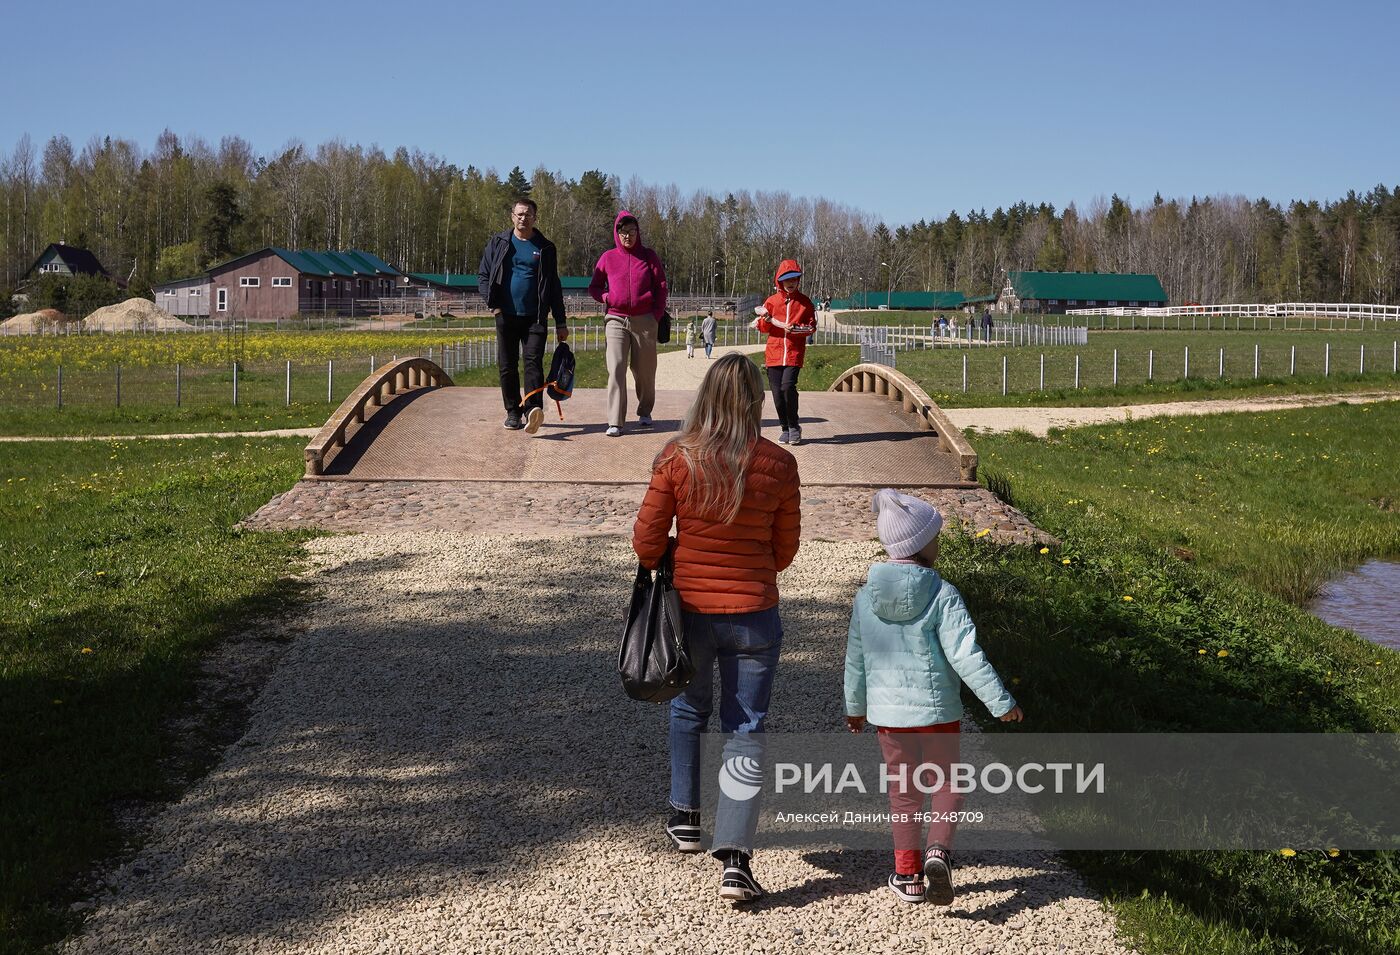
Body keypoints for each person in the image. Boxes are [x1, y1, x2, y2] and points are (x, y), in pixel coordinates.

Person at [632, 354, 801, 904]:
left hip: (691, 612)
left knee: (689, 708)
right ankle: (735, 859)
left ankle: (685, 817)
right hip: (754, 611)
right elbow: (783, 553)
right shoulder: (778, 464)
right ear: (756, 401)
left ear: (706, 397)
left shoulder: (677, 459)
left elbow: (646, 544)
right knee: (746, 726)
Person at [844, 489, 1024, 905]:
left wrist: (855, 708)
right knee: (947, 782)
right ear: (920, 545)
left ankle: (907, 876)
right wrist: (1000, 702)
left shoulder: (865, 597)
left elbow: (857, 659)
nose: (938, 543)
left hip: (889, 717)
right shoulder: (943, 595)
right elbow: (966, 655)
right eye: (935, 538)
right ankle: (939, 851)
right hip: (939, 713)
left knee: (903, 791)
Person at [477, 199, 568, 434]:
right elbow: (483, 275)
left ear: (535, 218)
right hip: (505, 315)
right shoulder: (499, 243)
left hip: (535, 317)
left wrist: (560, 321)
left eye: (527, 214)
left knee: (533, 364)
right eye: (519, 214)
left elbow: (554, 286)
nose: (523, 218)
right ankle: (513, 412)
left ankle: (532, 410)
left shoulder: (546, 247)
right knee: (507, 366)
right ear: (512, 216)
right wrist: (493, 305)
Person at [589, 211, 667, 437]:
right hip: (615, 318)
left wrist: (656, 314)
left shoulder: (649, 257)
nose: (628, 237)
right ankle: (615, 421)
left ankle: (644, 410)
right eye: (623, 232)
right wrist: (606, 298)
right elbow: (594, 287)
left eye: (632, 232)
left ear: (638, 233)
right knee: (616, 367)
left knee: (644, 370)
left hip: (645, 320)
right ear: (617, 233)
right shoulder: (608, 258)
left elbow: (661, 286)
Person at [753, 259, 817, 445]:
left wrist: (795, 329)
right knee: (777, 395)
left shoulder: (805, 303)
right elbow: (763, 328)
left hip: (793, 354)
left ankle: (794, 426)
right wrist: (765, 319)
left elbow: (811, 328)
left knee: (787, 387)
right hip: (774, 354)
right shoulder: (771, 302)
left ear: (798, 280)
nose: (791, 283)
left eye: (794, 279)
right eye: (786, 280)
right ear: (779, 281)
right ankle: (785, 428)